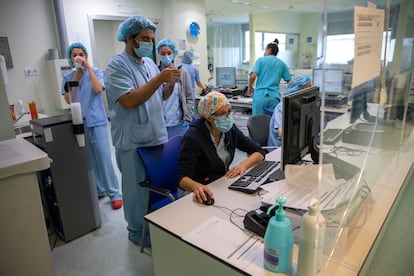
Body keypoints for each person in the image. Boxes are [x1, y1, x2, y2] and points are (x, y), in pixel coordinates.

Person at [103, 16, 181, 247]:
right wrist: (159, 78)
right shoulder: (117, 65)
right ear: (129, 38)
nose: (149, 43)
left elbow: (158, 96)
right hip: (133, 141)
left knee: (155, 185)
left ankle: (154, 224)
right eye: (144, 39)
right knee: (136, 191)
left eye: (151, 39)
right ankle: (137, 232)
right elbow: (128, 100)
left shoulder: (147, 63)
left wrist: (170, 83)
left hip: (155, 135)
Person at [62, 42, 122, 210]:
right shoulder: (68, 78)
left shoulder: (95, 72)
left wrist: (88, 69)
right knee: (89, 160)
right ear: (70, 59)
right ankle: (99, 189)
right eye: (74, 55)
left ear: (87, 56)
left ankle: (115, 194)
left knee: (103, 158)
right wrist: (76, 78)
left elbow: (98, 89)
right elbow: (68, 100)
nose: (78, 57)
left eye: (81, 54)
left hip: (97, 122)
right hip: (80, 122)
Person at [178, 91, 266, 204]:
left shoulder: (229, 130)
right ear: (210, 118)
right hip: (198, 190)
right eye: (223, 113)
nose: (228, 116)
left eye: (229, 111)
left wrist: (242, 165)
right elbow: (182, 178)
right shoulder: (193, 137)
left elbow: (258, 151)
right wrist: (196, 187)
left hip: (220, 182)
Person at [156, 38, 194, 138]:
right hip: (159, 124)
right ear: (158, 54)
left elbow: (189, 96)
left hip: (178, 123)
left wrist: (187, 117)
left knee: (178, 151)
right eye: (163, 53)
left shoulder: (182, 71)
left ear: (174, 53)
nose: (166, 56)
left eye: (169, 53)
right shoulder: (154, 72)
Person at [248, 38, 291, 116]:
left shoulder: (261, 60)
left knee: (257, 123)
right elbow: (289, 81)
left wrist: (250, 88)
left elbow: (253, 76)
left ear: (269, 49)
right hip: (274, 97)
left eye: (265, 50)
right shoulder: (282, 64)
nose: (264, 52)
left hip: (260, 96)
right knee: (273, 123)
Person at [267, 75, 312, 148]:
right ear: (297, 90)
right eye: (307, 88)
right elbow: (281, 134)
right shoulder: (283, 106)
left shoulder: (304, 105)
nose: (310, 91)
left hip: (297, 144)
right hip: (279, 148)